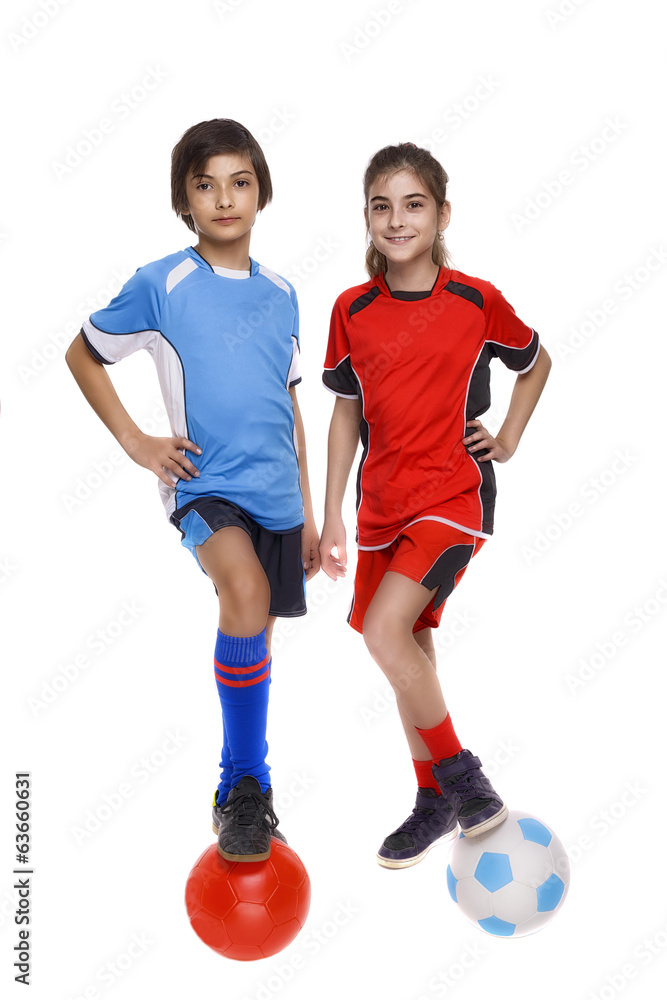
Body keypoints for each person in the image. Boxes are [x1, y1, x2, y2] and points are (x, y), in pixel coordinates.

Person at [66, 118, 319, 862]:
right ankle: (246, 788)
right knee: (240, 591)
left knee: (257, 632)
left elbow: (290, 401)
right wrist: (138, 442)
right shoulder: (162, 283)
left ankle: (239, 784)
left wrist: (307, 511)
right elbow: (84, 355)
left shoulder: (281, 294)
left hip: (278, 496)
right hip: (204, 487)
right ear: (185, 199)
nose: (224, 198)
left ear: (260, 191)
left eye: (239, 181)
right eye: (205, 184)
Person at [320, 143, 551, 869]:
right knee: (408, 646)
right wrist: (329, 515)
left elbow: (534, 359)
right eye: (381, 205)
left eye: (412, 203)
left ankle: (462, 778)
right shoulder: (351, 309)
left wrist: (507, 436)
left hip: (451, 497)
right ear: (365, 218)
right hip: (379, 505)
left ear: (441, 213)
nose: (396, 219)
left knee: (384, 632)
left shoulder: (474, 300)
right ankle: (430, 799)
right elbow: (345, 417)